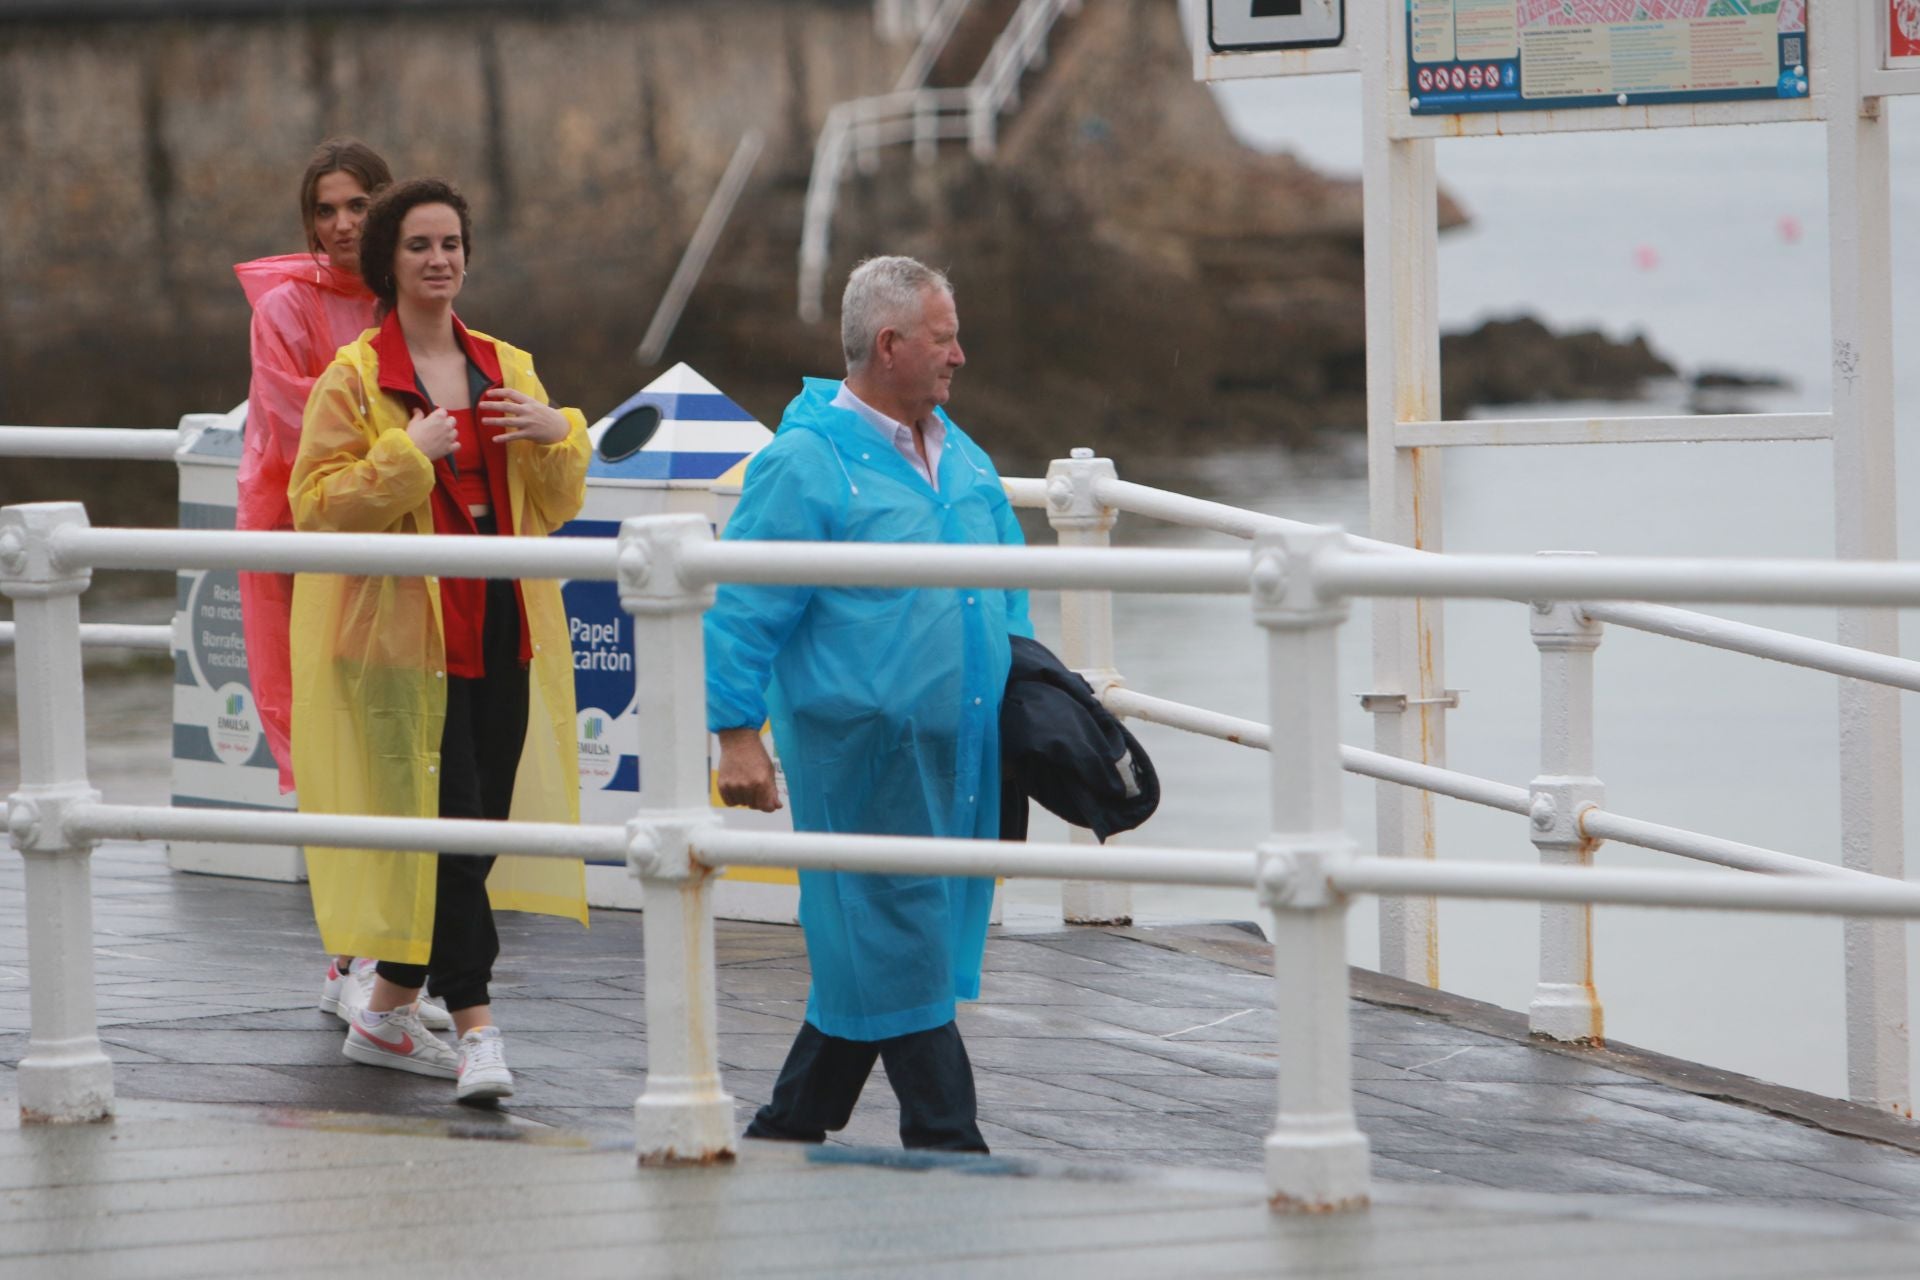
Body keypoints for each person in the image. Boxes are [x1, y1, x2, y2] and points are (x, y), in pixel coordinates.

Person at [707, 255, 1031, 1151]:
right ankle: (949, 1143)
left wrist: (1028, 697)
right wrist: (737, 735)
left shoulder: (962, 455)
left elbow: (1011, 591)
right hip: (860, 758)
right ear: (889, 346)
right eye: (943, 338)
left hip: (961, 755)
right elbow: (742, 608)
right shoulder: (806, 465)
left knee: (881, 954)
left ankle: (789, 1126)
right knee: (897, 939)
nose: (959, 355)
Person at [286, 177, 591, 1104]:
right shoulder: (353, 378)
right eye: (420, 245)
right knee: (448, 830)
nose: (440, 260)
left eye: (452, 243)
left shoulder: (507, 362)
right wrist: (406, 452)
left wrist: (556, 433)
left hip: (500, 621)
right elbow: (315, 507)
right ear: (389, 262)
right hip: (401, 639)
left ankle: (384, 1010)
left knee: (476, 829)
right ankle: (477, 1027)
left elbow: (557, 497)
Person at [232, 138, 453, 1031]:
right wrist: (399, 458)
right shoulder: (285, 309)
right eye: (324, 210)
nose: (340, 225)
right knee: (340, 747)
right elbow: (301, 424)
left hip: (401, 538)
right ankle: (352, 956)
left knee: (404, 749)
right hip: (312, 543)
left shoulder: (407, 297)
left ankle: (391, 957)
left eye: (357, 205)